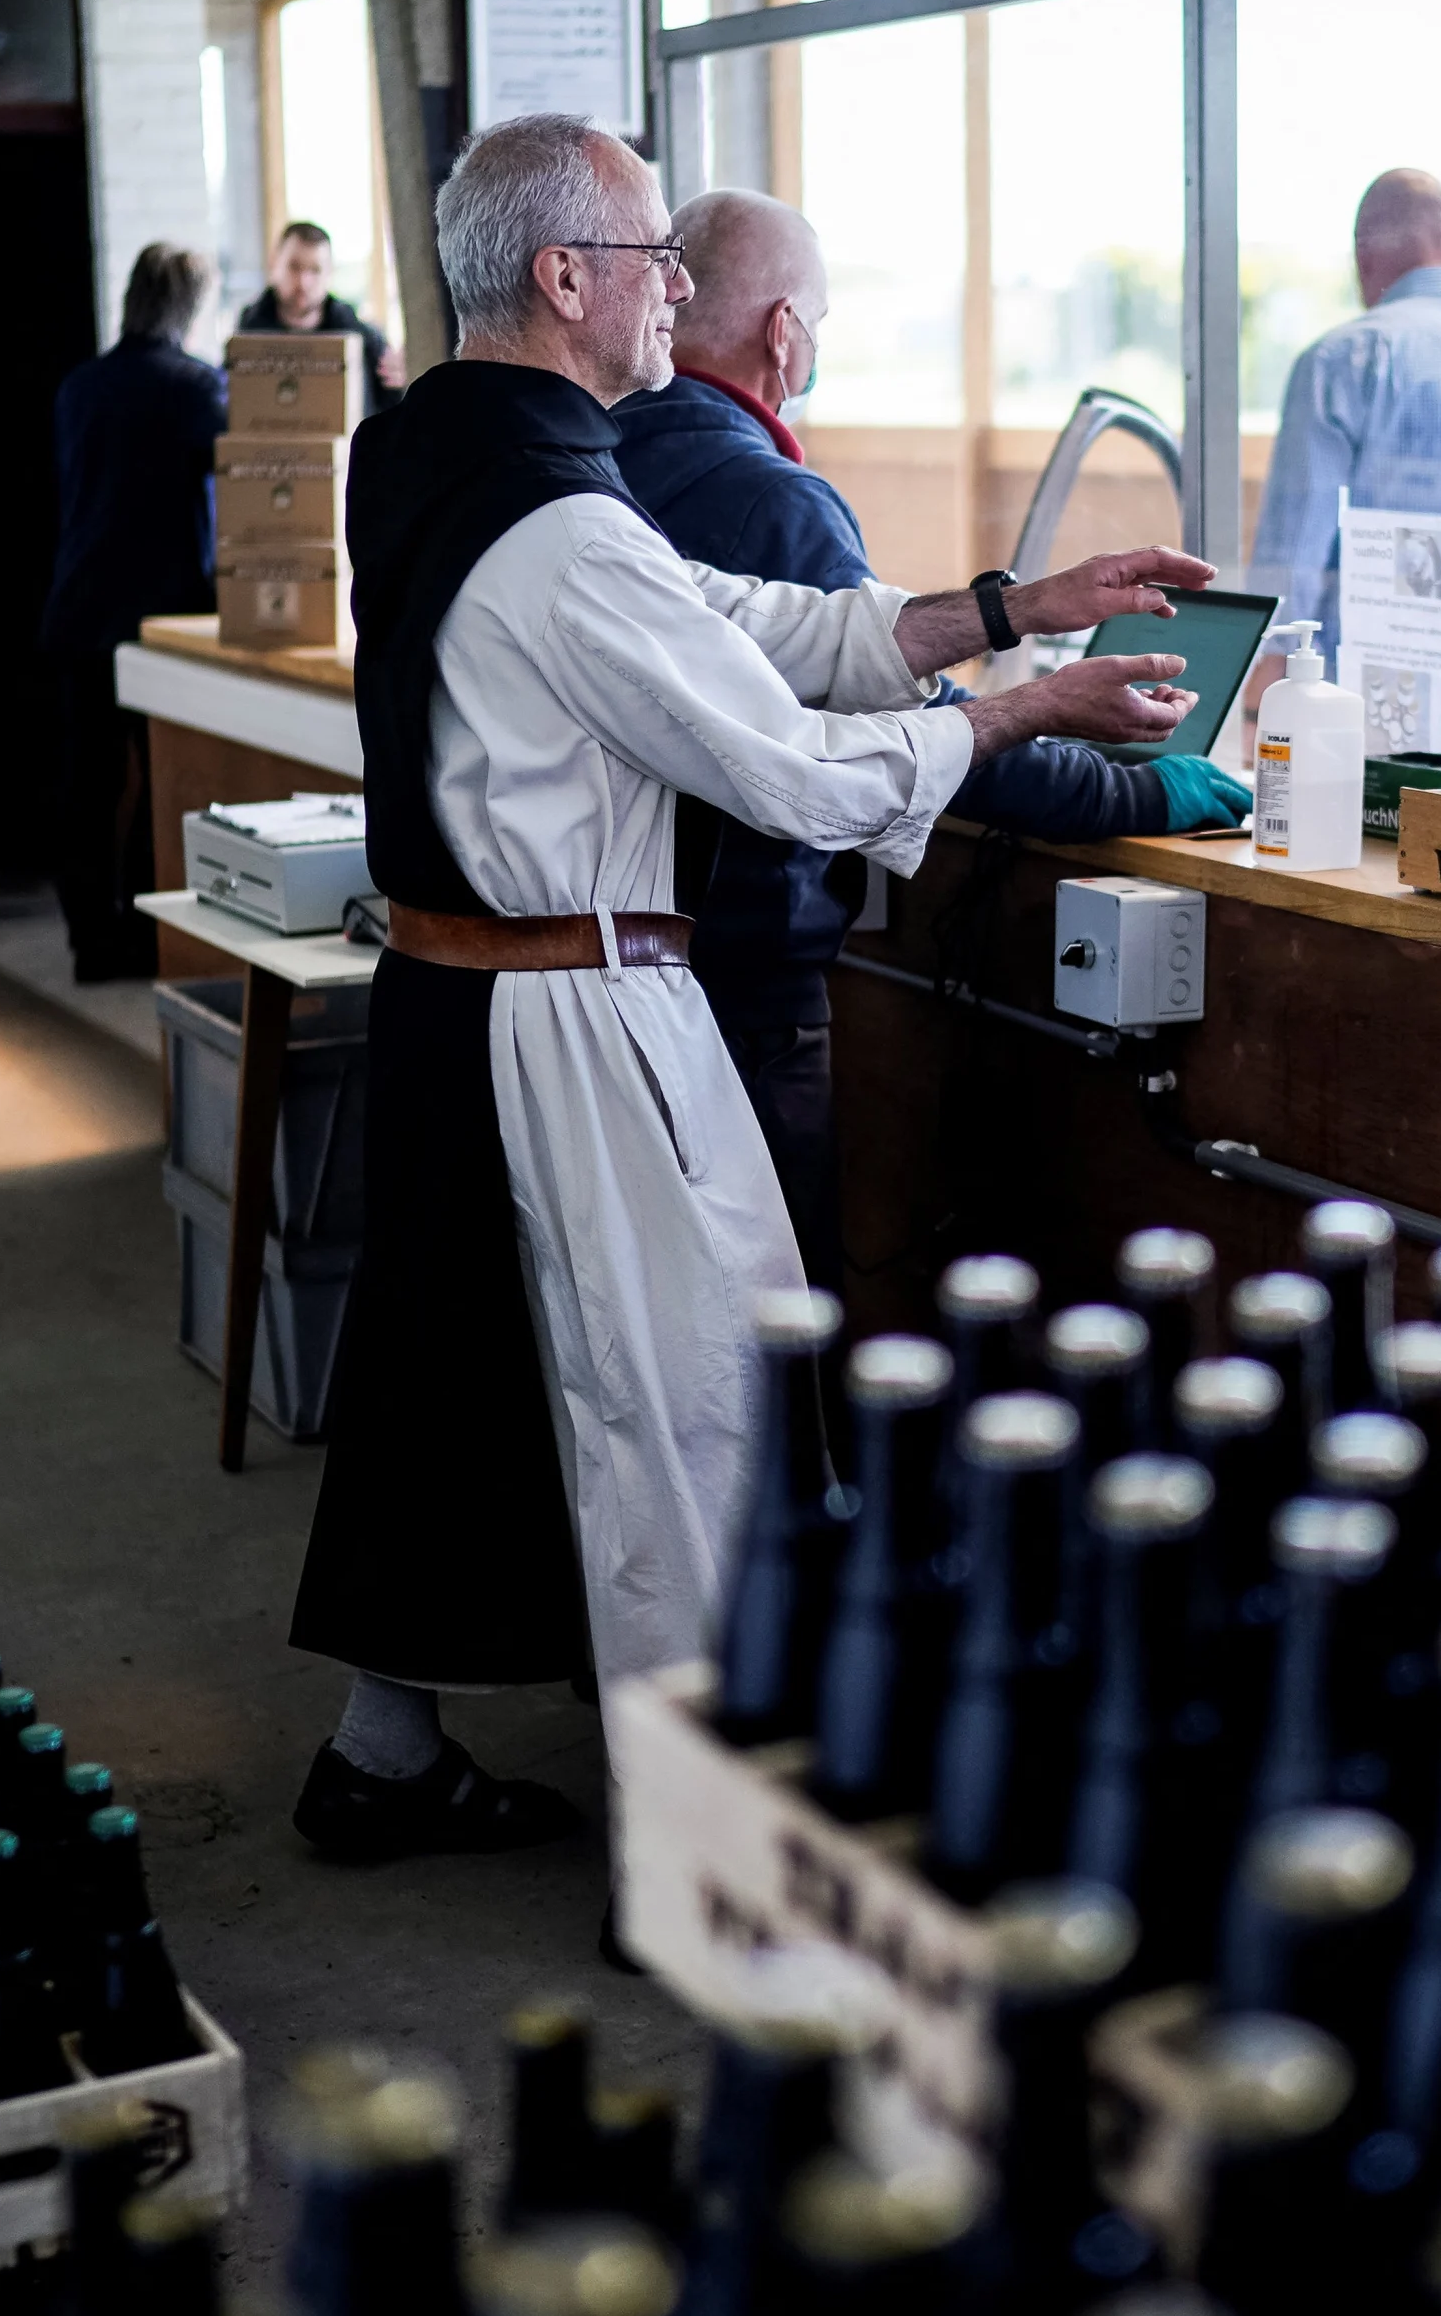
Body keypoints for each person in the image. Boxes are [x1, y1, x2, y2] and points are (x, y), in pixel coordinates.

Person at [285, 113, 1211, 1864]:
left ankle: (381, 1754)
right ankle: (693, 1838)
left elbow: (748, 625)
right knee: (683, 1404)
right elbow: (785, 766)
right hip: (567, 1006)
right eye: (654, 256)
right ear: (565, 277)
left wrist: (1005, 609)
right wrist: (1020, 713)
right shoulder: (559, 528)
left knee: (453, 1376)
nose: (676, 287)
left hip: (453, 992)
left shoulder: (439, 453)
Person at [605, 188, 1254, 1289]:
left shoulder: (589, 465)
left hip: (616, 965)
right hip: (740, 985)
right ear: (784, 332)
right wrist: (1137, 793)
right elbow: (905, 721)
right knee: (772, 1311)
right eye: (818, 321)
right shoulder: (774, 501)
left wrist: (1016, 621)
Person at [1239, 169, 1441, 747]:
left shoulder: (1341, 361)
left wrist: (1262, 695)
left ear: (1362, 258)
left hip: (1364, 711)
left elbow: (1294, 549)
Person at [40, 242, 228, 981]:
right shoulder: (198, 389)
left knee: (87, 784)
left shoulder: (80, 386)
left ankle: (91, 940)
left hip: (79, 606)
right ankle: (153, 931)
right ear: (189, 306)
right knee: (164, 778)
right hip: (161, 617)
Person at [237, 219, 405, 406]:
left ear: (329, 273)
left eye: (315, 270)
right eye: (294, 267)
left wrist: (402, 381)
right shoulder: (245, 335)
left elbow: (395, 409)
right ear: (274, 263)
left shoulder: (362, 339)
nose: (303, 282)